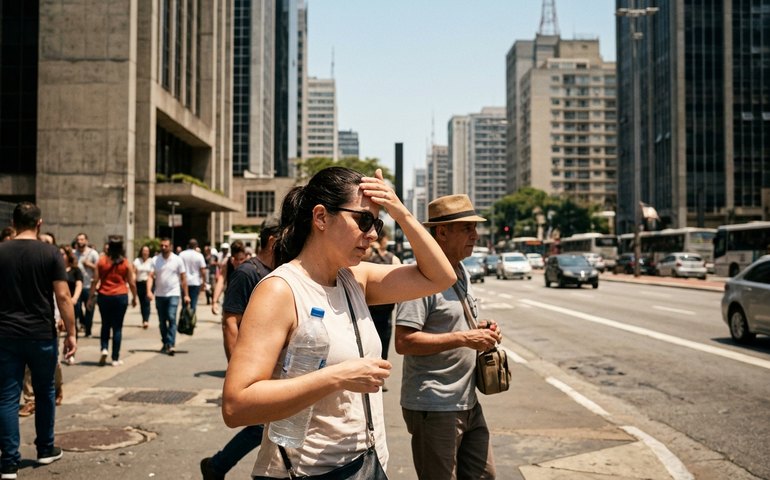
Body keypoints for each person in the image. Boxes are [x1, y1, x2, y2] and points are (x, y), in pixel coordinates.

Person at [222, 167, 456, 478]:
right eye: (364, 220)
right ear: (320, 218)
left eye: (377, 223)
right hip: (309, 471)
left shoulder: (354, 278)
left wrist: (400, 211)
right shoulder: (280, 290)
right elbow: (236, 405)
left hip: (367, 464)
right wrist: (338, 376)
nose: (373, 234)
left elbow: (441, 276)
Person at [395, 194, 502, 480]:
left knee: (484, 475)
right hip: (434, 404)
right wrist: (465, 338)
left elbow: (451, 323)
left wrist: (483, 328)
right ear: (441, 232)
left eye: (474, 228)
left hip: (467, 400)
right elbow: (404, 341)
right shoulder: (420, 277)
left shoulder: (461, 269)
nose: (475, 235)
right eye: (466, 228)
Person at [0, 202, 77, 479]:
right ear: (39, 223)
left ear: (14, 221)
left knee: (7, 396)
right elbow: (63, 296)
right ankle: (45, 448)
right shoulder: (50, 252)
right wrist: (72, 332)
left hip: (6, 334)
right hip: (41, 334)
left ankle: (8, 461)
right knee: (44, 391)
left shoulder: (1, 250)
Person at [200, 218, 281, 480]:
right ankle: (217, 465)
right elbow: (230, 321)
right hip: (253, 361)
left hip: (271, 359)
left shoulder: (275, 270)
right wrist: (237, 365)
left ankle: (218, 465)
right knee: (262, 424)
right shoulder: (247, 272)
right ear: (272, 240)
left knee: (271, 422)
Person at [88, 236, 138, 366]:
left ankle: (104, 348)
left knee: (105, 324)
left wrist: (90, 297)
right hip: (120, 296)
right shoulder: (125, 262)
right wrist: (134, 297)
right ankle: (115, 358)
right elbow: (132, 282)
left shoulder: (102, 261)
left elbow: (95, 280)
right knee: (117, 327)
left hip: (104, 295)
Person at [146, 238, 190, 356]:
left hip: (173, 293)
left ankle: (171, 344)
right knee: (162, 321)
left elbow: (183, 278)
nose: (163, 248)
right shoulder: (155, 260)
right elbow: (150, 276)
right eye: (162, 246)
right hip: (160, 295)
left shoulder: (177, 259)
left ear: (170, 246)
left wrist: (186, 295)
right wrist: (149, 291)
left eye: (166, 246)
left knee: (171, 317)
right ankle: (165, 341)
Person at [210, 240, 247, 315]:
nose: (239, 262)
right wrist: (214, 301)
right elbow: (221, 281)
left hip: (245, 301)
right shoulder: (228, 264)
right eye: (236, 259)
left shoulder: (250, 264)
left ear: (245, 257)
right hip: (230, 301)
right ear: (232, 258)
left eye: (242, 259)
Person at [73, 233, 99, 337]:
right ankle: (82, 322)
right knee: (77, 309)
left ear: (86, 241)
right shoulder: (74, 254)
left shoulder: (93, 254)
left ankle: (88, 330)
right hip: (77, 287)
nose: (80, 242)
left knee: (90, 309)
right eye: (78, 240)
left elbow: (98, 269)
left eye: (82, 239)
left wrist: (90, 265)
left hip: (90, 286)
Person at [179, 239, 207, 314]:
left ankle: (185, 320)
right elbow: (203, 271)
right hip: (195, 282)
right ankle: (191, 320)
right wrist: (204, 282)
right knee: (193, 303)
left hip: (184, 282)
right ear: (196, 246)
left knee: (184, 302)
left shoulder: (182, 254)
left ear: (188, 245)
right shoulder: (199, 255)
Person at [133, 245, 154, 329]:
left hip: (148, 283)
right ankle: (143, 318)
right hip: (139, 283)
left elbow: (152, 274)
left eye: (147, 251)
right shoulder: (137, 261)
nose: (145, 253)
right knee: (142, 302)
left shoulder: (151, 261)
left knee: (147, 302)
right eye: (144, 251)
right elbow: (133, 272)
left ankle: (146, 320)